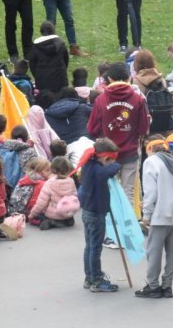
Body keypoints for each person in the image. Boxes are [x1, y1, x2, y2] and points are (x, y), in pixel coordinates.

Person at [86, 62, 150, 203]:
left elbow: (92, 129)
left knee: (108, 191)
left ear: (110, 79)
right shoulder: (138, 99)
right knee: (128, 192)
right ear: (128, 78)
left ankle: (111, 223)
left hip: (106, 154)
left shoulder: (100, 100)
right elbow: (143, 128)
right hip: (130, 151)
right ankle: (129, 223)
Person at [137, 136, 173, 296]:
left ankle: (152, 285)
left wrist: (146, 214)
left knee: (154, 250)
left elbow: (151, 191)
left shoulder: (151, 162)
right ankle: (168, 285)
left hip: (160, 212)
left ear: (149, 149)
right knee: (172, 250)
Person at [77, 138, 124, 292]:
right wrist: (118, 164)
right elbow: (108, 172)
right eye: (110, 161)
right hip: (96, 213)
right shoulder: (97, 169)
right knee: (95, 248)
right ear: (105, 158)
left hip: (88, 211)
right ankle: (96, 280)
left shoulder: (88, 164)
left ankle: (89, 277)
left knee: (89, 246)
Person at [29, 156, 79, 229]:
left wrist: (32, 214)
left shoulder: (49, 183)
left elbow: (41, 203)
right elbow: (75, 196)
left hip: (53, 214)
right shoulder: (71, 181)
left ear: (52, 169)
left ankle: (50, 222)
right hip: (67, 212)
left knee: (38, 215)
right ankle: (67, 220)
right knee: (67, 216)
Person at [30, 21, 70, 99]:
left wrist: (38, 76)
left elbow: (32, 64)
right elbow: (66, 60)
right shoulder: (61, 44)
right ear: (53, 31)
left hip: (42, 81)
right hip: (60, 79)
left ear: (41, 32)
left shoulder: (36, 46)